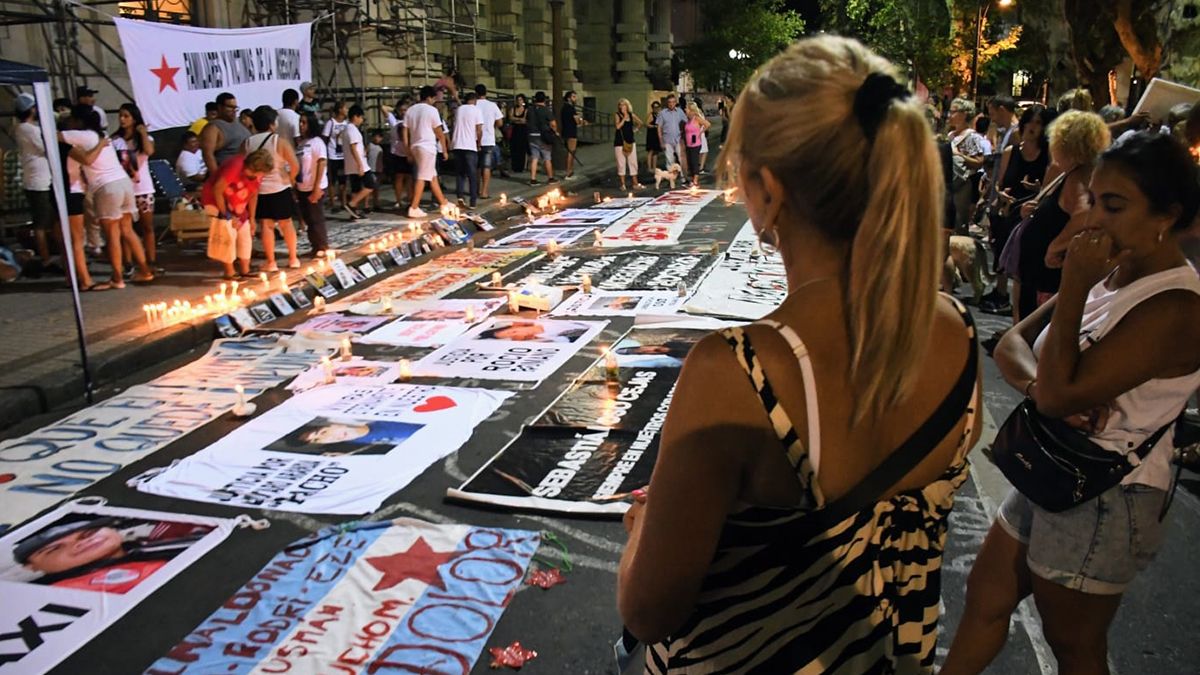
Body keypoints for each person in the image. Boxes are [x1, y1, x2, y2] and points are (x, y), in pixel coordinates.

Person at [617, 35, 981, 673]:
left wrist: (641, 532)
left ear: (769, 189)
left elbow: (648, 612)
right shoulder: (956, 328)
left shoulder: (737, 372)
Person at [942, 132, 1200, 675]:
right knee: (987, 595)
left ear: (1166, 214)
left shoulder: (1175, 304)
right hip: (1053, 467)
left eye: (1114, 204)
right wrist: (1041, 389)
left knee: (1074, 646)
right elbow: (1011, 344)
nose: (1095, 218)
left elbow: (1059, 389)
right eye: (1092, 200)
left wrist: (1076, 288)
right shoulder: (1116, 272)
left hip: (1106, 496)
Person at [1009, 111, 1109, 321]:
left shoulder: (1079, 177)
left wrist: (1055, 247)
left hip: (1045, 280)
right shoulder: (1076, 172)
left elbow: (1084, 214)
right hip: (1039, 276)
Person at [61, 105, 153, 288]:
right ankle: (145, 270)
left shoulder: (82, 135)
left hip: (107, 187)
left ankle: (117, 278)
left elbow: (53, 136)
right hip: (123, 182)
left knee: (112, 234)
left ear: (78, 121)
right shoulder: (102, 136)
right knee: (127, 230)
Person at [15, 516, 213, 594]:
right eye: (55, 548)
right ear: (30, 566)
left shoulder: (156, 544)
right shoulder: (60, 592)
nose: (82, 544)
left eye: (89, 533)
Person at [243, 105, 300, 271]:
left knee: (266, 225)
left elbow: (245, 165)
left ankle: (271, 262)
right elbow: (294, 165)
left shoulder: (247, 143)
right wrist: (291, 178)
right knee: (286, 223)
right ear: (272, 124)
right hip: (280, 186)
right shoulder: (278, 141)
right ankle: (293, 258)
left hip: (259, 189)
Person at [201, 149, 273, 279]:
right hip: (216, 201)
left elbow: (253, 195)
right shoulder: (235, 167)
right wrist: (226, 215)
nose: (261, 176)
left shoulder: (257, 175)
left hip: (238, 203)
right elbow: (217, 189)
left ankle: (245, 269)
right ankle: (230, 271)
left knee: (245, 232)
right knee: (229, 233)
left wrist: (251, 218)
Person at [111, 103, 160, 272]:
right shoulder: (115, 140)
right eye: (120, 116)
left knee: (147, 226)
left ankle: (151, 260)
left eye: (126, 116)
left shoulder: (144, 138)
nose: (122, 119)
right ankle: (128, 263)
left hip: (143, 188)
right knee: (126, 228)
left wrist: (143, 133)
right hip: (124, 188)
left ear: (134, 118)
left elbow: (149, 151)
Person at [14, 93, 59, 267]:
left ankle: (53, 251)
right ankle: (46, 258)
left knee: (49, 219)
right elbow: (44, 148)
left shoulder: (25, 127)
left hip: (38, 177)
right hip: (38, 181)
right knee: (41, 223)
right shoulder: (28, 129)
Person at [403, 86, 450, 218]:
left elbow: (404, 131)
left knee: (432, 176)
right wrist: (445, 150)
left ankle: (443, 202)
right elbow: (439, 133)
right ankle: (414, 207)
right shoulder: (432, 110)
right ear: (430, 97)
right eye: (434, 98)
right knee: (423, 177)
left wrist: (407, 149)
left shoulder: (410, 110)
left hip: (415, 145)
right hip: (427, 146)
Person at [948, 97, 987, 233]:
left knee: (959, 223)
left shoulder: (972, 137)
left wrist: (958, 155)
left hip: (962, 186)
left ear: (964, 114)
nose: (949, 115)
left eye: (953, 112)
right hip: (949, 185)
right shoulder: (951, 135)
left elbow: (979, 162)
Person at [295, 112, 329, 256]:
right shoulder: (301, 143)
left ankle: (322, 246)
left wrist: (317, 187)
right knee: (308, 218)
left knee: (316, 217)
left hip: (315, 186)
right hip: (302, 186)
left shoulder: (317, 142)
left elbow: (321, 163)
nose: (301, 126)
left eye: (304, 122)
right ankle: (314, 246)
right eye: (300, 122)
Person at [199, 92, 250, 175]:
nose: (234, 111)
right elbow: (207, 154)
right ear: (220, 107)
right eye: (230, 107)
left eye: (235, 108)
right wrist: (217, 177)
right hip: (226, 175)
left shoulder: (239, 123)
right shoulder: (213, 127)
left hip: (244, 174)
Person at [340, 104, 375, 219]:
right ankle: (352, 204)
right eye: (361, 118)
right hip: (358, 164)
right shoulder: (352, 129)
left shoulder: (347, 129)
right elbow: (353, 147)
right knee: (370, 184)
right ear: (355, 116)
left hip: (351, 164)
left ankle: (353, 212)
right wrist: (360, 165)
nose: (361, 120)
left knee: (356, 187)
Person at [451, 91, 483, 207]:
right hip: (470, 145)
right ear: (475, 100)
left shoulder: (459, 109)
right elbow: (479, 130)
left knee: (460, 173)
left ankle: (460, 197)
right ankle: (473, 201)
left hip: (457, 144)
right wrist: (479, 143)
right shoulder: (476, 110)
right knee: (472, 175)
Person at [474, 84, 505, 197]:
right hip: (488, 138)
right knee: (486, 166)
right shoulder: (492, 105)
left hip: (474, 139)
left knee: (476, 166)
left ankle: (476, 189)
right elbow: (500, 122)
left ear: (476, 93)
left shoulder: (473, 105)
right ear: (486, 93)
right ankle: (484, 191)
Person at [322, 100, 350, 209]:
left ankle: (343, 202)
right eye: (345, 108)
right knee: (333, 180)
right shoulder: (331, 123)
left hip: (343, 155)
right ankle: (332, 202)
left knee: (343, 180)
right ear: (340, 110)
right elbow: (325, 138)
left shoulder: (346, 123)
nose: (347, 110)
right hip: (333, 154)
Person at [388, 95, 414, 211]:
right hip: (397, 153)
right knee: (399, 177)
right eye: (401, 110)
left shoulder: (410, 121)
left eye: (405, 110)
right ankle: (398, 200)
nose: (404, 112)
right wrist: (394, 110)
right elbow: (383, 108)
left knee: (409, 178)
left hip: (408, 152)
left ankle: (410, 198)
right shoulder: (394, 121)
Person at [527, 91, 558, 185]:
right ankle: (550, 177)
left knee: (535, 157)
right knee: (547, 157)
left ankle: (533, 179)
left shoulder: (530, 109)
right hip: (543, 136)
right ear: (544, 99)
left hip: (532, 135)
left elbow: (526, 120)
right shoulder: (546, 110)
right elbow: (553, 124)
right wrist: (555, 132)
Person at [613, 98, 644, 191]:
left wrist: (636, 129)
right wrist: (624, 118)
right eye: (620, 105)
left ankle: (635, 183)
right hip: (620, 142)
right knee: (621, 163)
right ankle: (623, 184)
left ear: (627, 106)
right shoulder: (617, 115)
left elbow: (640, 123)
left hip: (630, 141)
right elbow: (617, 126)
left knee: (633, 162)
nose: (622, 107)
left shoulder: (631, 115)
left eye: (624, 105)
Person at [476, 319, 589, 343]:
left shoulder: (541, 319)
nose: (518, 334)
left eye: (513, 331)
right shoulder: (553, 338)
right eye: (512, 336)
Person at [657, 94, 688, 174]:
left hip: (678, 139)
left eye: (673, 102)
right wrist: (661, 141)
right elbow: (659, 128)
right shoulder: (662, 113)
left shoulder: (680, 112)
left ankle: (683, 178)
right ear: (667, 103)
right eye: (670, 102)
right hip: (667, 140)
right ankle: (671, 179)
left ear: (675, 102)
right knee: (670, 160)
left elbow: (687, 122)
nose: (671, 104)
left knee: (681, 159)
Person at [683, 102, 710, 186]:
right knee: (690, 161)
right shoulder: (688, 119)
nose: (685, 110)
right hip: (688, 143)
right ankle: (692, 178)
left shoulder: (696, 118)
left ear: (691, 110)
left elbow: (707, 124)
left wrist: (700, 132)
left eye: (686, 108)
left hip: (696, 143)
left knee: (694, 161)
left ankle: (695, 180)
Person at [561, 90, 586, 178]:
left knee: (570, 151)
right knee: (571, 152)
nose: (575, 99)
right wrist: (582, 122)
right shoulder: (571, 108)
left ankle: (569, 171)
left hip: (566, 131)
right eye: (573, 97)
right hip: (571, 131)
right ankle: (569, 172)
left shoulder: (564, 107)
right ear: (569, 98)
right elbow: (577, 121)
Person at [508, 93, 529, 174]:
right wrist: (519, 120)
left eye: (520, 100)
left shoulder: (526, 109)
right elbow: (510, 118)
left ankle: (521, 166)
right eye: (518, 100)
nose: (519, 101)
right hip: (515, 130)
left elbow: (524, 120)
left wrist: (516, 120)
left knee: (522, 148)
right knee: (514, 148)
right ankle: (514, 166)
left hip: (523, 131)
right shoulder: (513, 109)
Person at [644, 100, 663, 179]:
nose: (656, 109)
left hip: (657, 134)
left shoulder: (659, 115)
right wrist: (654, 126)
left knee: (656, 151)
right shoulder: (651, 115)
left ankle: (654, 167)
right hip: (651, 134)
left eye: (657, 107)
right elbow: (647, 124)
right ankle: (649, 167)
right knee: (651, 151)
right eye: (654, 107)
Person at [368, 130, 384, 210]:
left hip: (378, 170)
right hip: (371, 169)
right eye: (377, 137)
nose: (378, 139)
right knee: (369, 188)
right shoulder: (369, 145)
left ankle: (376, 203)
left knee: (377, 188)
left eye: (380, 137)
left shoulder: (380, 148)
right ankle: (367, 205)